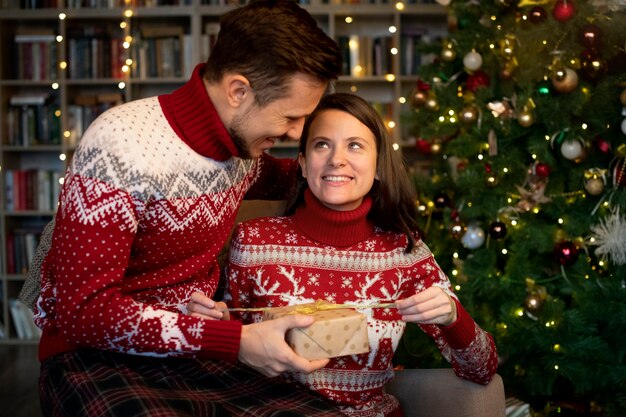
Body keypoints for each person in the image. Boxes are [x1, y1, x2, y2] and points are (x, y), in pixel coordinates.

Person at [34, 1, 345, 416]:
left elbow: (301, 178)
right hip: (93, 358)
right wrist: (234, 342)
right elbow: (83, 310)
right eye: (290, 116)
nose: (296, 133)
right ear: (238, 91)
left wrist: (357, 171)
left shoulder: (243, 154)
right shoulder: (121, 144)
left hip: (196, 351)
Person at [187, 93, 499, 417]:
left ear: (378, 167)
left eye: (355, 145)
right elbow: (232, 348)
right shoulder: (253, 240)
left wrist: (452, 316)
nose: (337, 159)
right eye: (322, 144)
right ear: (304, 164)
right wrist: (219, 326)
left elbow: (482, 369)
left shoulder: (404, 253)